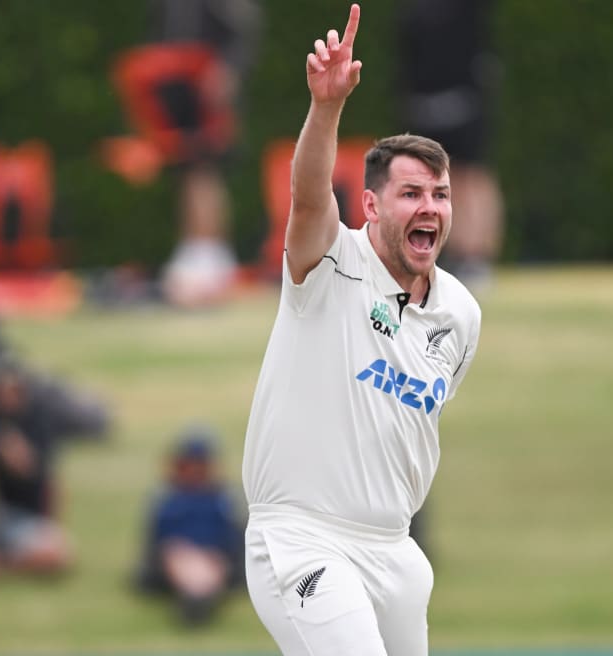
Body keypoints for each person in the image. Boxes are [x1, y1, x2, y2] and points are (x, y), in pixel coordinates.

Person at [241, 5, 482, 655]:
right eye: (411, 194)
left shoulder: (461, 313)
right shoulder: (330, 262)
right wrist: (325, 107)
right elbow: (310, 195)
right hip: (303, 538)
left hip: (394, 552)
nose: (429, 207)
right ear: (372, 206)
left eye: (440, 194)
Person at [0, 355, 110, 579]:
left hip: (23, 518)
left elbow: (49, 482)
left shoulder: (38, 423)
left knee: (58, 555)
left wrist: (23, 462)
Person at [148, 0, 262, 307]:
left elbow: (242, 30)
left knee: (206, 168)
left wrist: (229, 70)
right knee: (185, 169)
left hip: (207, 81)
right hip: (176, 83)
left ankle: (212, 258)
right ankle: (194, 251)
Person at [397, 0, 503, 291]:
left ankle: (477, 256)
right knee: (437, 179)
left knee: (472, 176)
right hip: (424, 103)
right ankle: (450, 253)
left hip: (464, 98)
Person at [135, 426, 243, 626]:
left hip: (215, 559)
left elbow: (234, 543)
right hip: (174, 558)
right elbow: (155, 544)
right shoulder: (167, 499)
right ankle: (196, 597)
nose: (193, 471)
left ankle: (198, 597)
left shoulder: (223, 499)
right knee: (183, 558)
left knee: (206, 563)